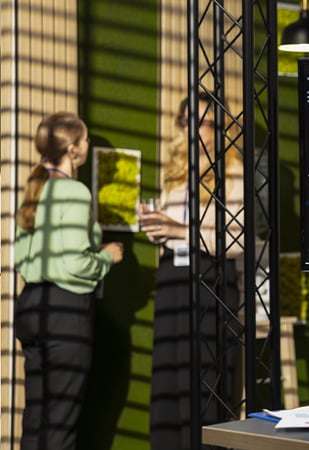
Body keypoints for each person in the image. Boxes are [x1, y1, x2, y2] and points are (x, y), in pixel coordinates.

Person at [13, 112, 124, 450]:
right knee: (60, 423)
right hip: (64, 313)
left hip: (31, 308)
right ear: (73, 150)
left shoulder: (35, 188)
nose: (88, 145)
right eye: (86, 139)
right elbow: (75, 262)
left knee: (36, 418)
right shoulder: (74, 192)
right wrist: (108, 256)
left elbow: (24, 256)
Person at [140, 92, 244, 449]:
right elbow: (173, 233)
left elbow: (236, 242)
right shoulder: (175, 174)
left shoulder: (233, 174)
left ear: (219, 129)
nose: (197, 131)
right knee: (170, 384)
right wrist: (157, 228)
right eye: (189, 122)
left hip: (212, 283)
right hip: (172, 281)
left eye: (206, 123)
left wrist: (179, 230)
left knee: (206, 384)